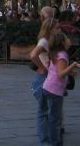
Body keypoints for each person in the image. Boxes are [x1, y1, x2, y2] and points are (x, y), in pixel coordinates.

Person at [42, 32, 80, 146]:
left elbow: (56, 70)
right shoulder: (62, 55)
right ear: (62, 42)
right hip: (55, 90)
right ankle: (54, 142)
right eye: (66, 38)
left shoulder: (56, 53)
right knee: (55, 119)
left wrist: (70, 70)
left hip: (48, 87)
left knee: (54, 117)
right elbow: (60, 74)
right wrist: (73, 65)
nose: (69, 40)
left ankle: (55, 140)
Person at [30, 17, 60, 145]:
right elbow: (33, 55)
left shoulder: (50, 41)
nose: (59, 29)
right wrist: (42, 67)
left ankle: (49, 138)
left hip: (48, 77)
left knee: (48, 110)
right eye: (57, 27)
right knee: (43, 110)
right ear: (50, 29)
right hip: (44, 78)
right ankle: (45, 141)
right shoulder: (44, 41)